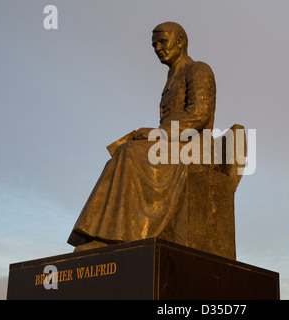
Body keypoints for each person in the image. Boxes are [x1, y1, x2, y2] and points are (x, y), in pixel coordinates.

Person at [67, 22, 216, 252]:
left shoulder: (198, 69)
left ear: (180, 41)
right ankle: (98, 234)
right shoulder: (170, 78)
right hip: (171, 146)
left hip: (193, 148)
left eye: (162, 42)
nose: (157, 48)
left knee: (128, 153)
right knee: (119, 155)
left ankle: (114, 236)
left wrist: (156, 134)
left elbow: (200, 115)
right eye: (154, 44)